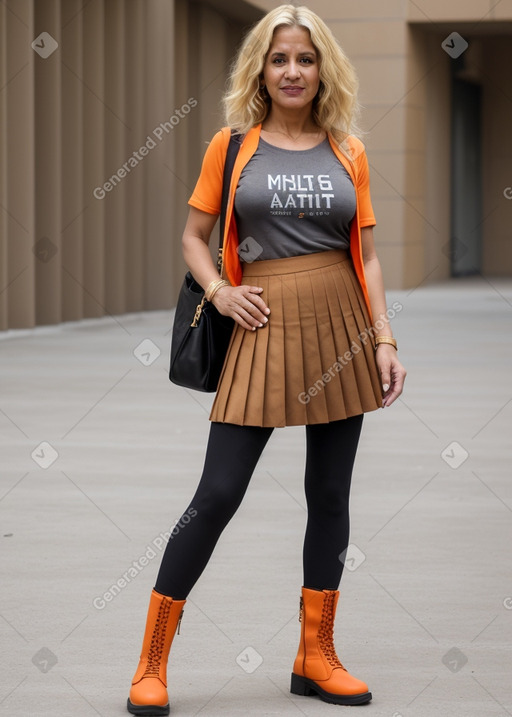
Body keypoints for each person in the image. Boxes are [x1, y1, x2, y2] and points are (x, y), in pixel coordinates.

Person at [127, 4, 406, 715]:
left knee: (332, 496)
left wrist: (384, 338)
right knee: (217, 493)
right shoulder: (233, 146)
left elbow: (367, 257)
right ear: (261, 67)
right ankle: (151, 661)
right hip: (259, 325)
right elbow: (194, 236)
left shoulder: (348, 150)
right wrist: (219, 292)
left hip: (340, 326)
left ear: (323, 70)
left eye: (305, 59)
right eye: (279, 58)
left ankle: (317, 655)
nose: (292, 71)